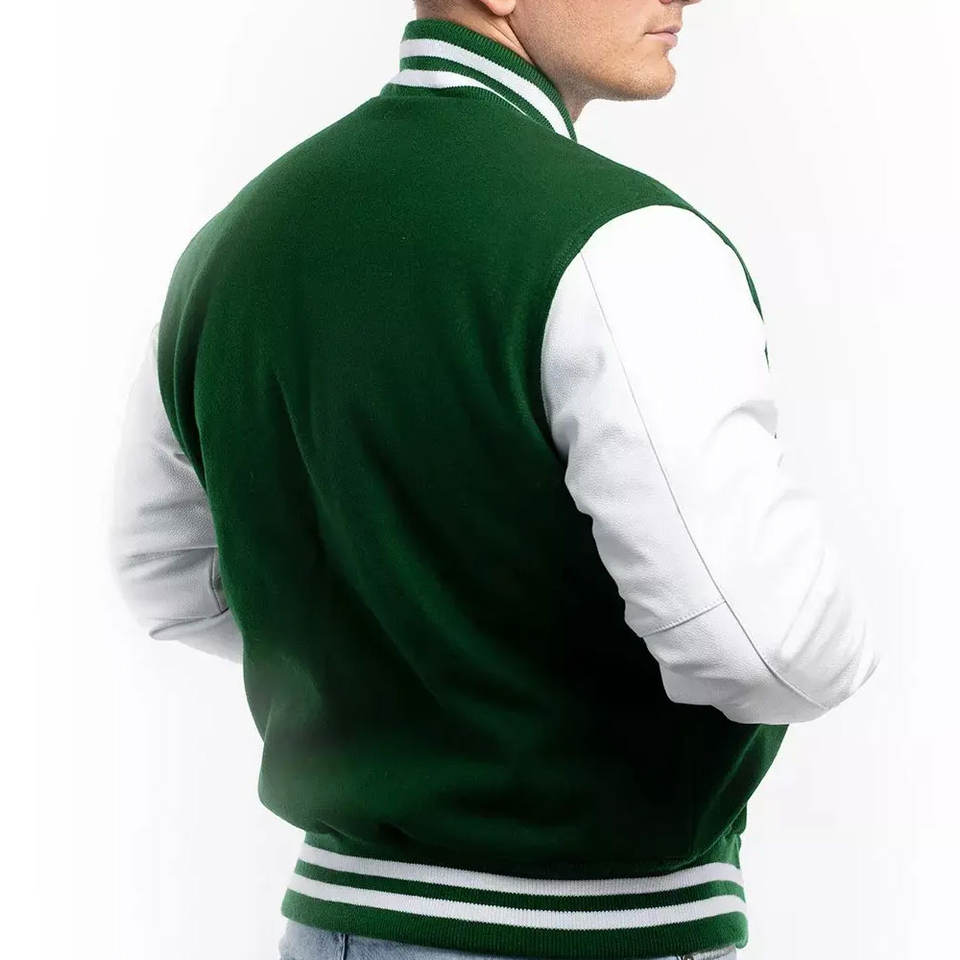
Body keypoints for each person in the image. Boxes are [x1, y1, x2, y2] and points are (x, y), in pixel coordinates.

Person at [107, 2, 881, 959]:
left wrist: (410, 659)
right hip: (585, 934)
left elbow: (167, 579)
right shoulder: (623, 242)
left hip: (335, 923)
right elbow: (771, 645)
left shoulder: (234, 241)